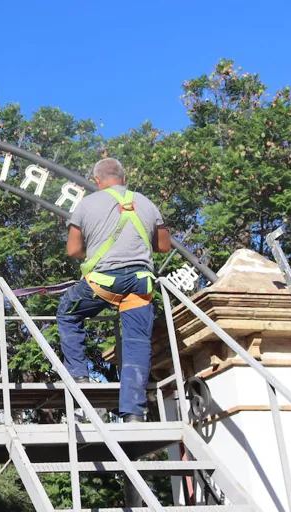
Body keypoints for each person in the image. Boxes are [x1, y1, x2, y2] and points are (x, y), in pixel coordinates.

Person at [57, 157, 170, 423]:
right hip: (140, 285)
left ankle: (80, 378)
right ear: (124, 177)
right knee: (136, 345)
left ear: (97, 180)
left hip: (103, 282)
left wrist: (96, 247)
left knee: (68, 313)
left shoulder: (86, 204)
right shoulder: (146, 203)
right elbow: (164, 246)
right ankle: (133, 414)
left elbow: (73, 250)